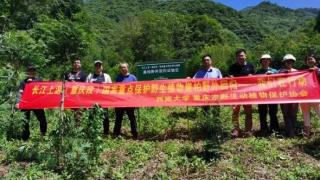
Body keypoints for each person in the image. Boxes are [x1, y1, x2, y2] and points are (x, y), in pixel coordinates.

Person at [228, 49, 255, 137]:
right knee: (235, 112)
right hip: (235, 93)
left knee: (248, 112)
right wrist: (230, 77)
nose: (241, 57)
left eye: (242, 55)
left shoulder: (250, 66)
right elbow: (229, 78)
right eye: (239, 56)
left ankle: (248, 130)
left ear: (245, 56)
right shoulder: (232, 67)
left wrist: (251, 76)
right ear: (236, 57)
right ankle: (236, 130)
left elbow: (254, 79)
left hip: (247, 93)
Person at [17, 66, 47, 140]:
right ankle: (25, 137)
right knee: (25, 121)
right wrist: (18, 102)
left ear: (35, 72)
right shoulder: (23, 82)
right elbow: (20, 93)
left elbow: (44, 90)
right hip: (26, 104)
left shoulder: (39, 80)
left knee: (43, 120)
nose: (32, 72)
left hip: (37, 104)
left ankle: (43, 135)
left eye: (33, 70)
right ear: (27, 72)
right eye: (30, 70)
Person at [86, 60, 112, 136]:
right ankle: (90, 132)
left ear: (102, 67)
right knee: (91, 117)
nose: (98, 67)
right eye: (96, 66)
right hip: (92, 101)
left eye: (99, 66)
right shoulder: (90, 76)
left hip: (103, 101)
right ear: (94, 67)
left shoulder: (106, 76)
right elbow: (85, 87)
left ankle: (106, 133)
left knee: (105, 117)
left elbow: (111, 87)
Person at [256, 54, 280, 134]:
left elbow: (280, 81)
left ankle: (274, 129)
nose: (266, 61)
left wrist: (273, 75)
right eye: (264, 59)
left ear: (270, 61)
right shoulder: (258, 72)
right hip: (262, 95)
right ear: (261, 61)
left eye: (267, 59)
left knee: (273, 112)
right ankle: (264, 129)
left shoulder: (275, 71)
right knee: (262, 113)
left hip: (272, 95)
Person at [113, 63, 138, 139]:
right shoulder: (118, 78)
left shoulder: (133, 77)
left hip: (130, 102)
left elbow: (137, 89)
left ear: (127, 68)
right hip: (120, 102)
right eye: (121, 68)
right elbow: (115, 89)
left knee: (132, 118)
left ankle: (135, 134)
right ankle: (116, 134)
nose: (123, 69)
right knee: (118, 118)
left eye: (124, 67)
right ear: (120, 69)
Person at [300, 54, 320, 137]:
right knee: (305, 114)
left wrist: (315, 72)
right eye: (308, 59)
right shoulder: (304, 72)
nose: (310, 60)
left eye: (312, 59)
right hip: (305, 97)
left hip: (317, 96)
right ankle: (307, 132)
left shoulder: (319, 70)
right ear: (306, 62)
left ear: (315, 60)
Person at [279, 54, 299, 137]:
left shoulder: (297, 71)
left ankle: (292, 130)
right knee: (286, 113)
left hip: (294, 95)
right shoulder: (280, 71)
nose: (289, 62)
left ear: (293, 62)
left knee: (293, 113)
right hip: (284, 96)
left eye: (291, 61)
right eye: (287, 61)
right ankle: (289, 131)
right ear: (284, 62)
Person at [64, 58, 87, 123]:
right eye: (75, 62)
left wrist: (76, 84)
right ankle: (68, 131)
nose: (76, 64)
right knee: (68, 116)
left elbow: (86, 87)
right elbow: (63, 84)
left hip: (79, 99)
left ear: (80, 65)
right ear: (73, 64)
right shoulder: (67, 74)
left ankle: (78, 131)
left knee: (78, 117)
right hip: (69, 98)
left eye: (78, 62)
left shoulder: (84, 75)